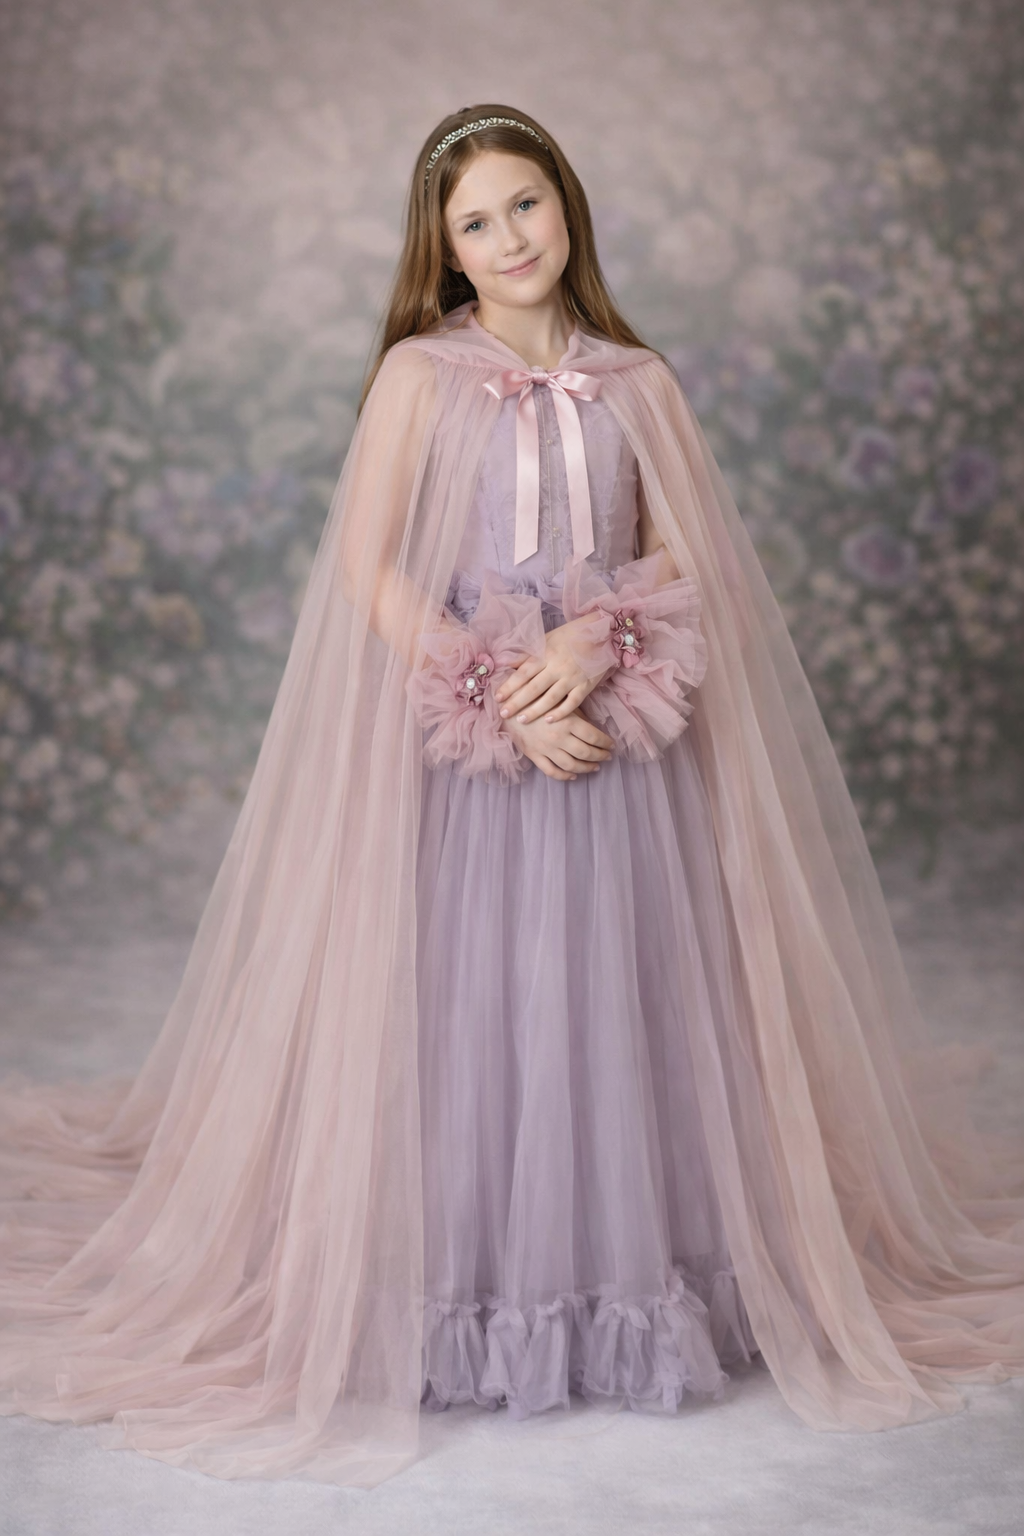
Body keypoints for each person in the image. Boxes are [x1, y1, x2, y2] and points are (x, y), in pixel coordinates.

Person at [0, 104, 1021, 1489]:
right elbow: (369, 570)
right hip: (466, 747)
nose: (507, 239)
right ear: (444, 252)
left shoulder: (641, 383)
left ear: (568, 207)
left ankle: (630, 1272)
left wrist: (590, 650)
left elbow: (690, 567)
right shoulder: (419, 378)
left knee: (622, 999)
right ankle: (470, 1282)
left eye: (525, 205)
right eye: (474, 224)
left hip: (621, 740)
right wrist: (492, 691)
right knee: (479, 1007)